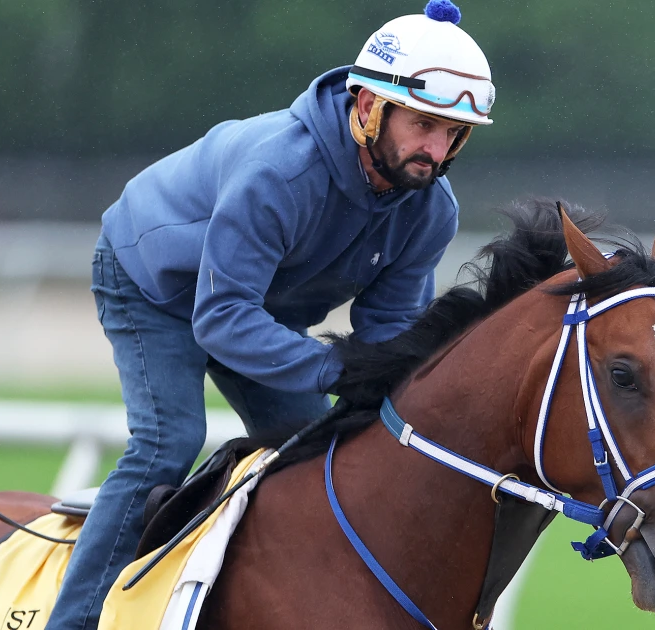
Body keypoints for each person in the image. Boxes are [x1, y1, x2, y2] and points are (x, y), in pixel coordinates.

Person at [45, 1, 496, 628]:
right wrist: (335, 367)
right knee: (168, 442)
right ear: (368, 108)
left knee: (322, 450)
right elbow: (222, 318)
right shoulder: (279, 172)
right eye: (424, 124)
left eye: (453, 134)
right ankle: (74, 620)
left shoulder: (430, 207)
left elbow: (389, 333)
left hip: (252, 306)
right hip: (154, 285)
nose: (436, 150)